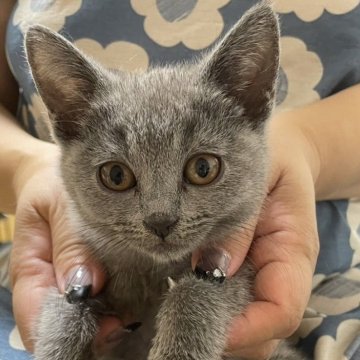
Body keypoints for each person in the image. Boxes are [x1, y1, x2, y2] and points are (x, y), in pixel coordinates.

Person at [1, 1, 360, 359]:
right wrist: (24, 168)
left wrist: (307, 143)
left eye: (202, 169)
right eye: (117, 177)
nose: (160, 216)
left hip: (325, 294)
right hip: (35, 271)